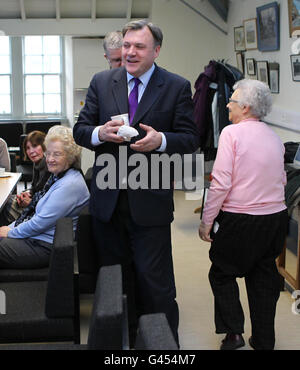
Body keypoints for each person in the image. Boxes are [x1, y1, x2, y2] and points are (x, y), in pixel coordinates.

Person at [73, 19, 199, 346]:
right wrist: (99, 133)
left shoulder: (175, 86)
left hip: (150, 204)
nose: (129, 52)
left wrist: (161, 141)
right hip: (107, 202)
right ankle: (121, 344)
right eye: (127, 45)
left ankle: (162, 346)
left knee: (154, 284)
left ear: (156, 51)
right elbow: (80, 130)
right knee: (115, 283)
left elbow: (189, 139)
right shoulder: (102, 82)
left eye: (138, 46)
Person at [198, 79, 288, 350]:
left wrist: (207, 221)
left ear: (245, 107)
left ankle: (234, 333)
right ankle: (264, 340)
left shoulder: (231, 133)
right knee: (263, 277)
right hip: (274, 219)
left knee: (222, 273)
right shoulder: (274, 137)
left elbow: (221, 182)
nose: (227, 103)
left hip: (241, 220)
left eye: (232, 100)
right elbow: (281, 180)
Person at [0, 125, 90, 269]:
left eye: (57, 154)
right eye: (48, 153)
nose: (49, 159)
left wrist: (10, 232)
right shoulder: (58, 176)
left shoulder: (69, 185)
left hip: (44, 246)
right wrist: (9, 228)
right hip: (38, 238)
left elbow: (38, 223)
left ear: (70, 155)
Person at [0, 131, 50, 226]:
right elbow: (35, 188)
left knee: (4, 207)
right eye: (28, 148)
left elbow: (46, 200)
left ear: (44, 146)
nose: (31, 151)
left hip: (39, 213)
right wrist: (27, 193)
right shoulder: (37, 164)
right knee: (7, 200)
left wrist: (30, 202)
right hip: (34, 203)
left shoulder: (49, 166)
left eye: (35, 146)